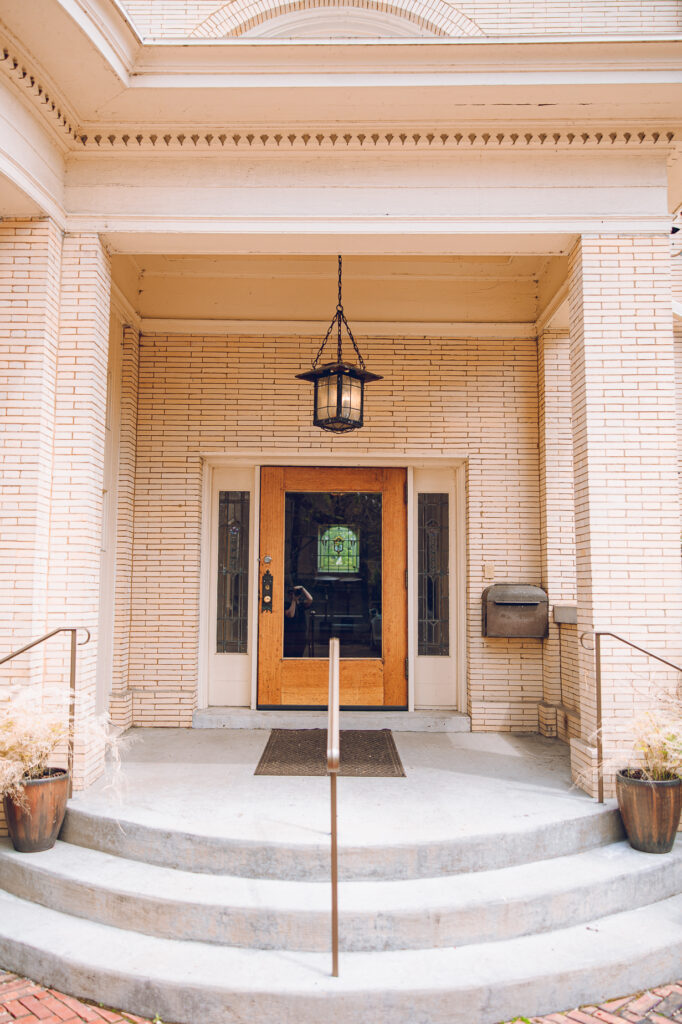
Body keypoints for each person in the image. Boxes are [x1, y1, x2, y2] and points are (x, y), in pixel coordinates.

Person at [283, 584, 313, 657]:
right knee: (288, 655)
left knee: (299, 655)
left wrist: (302, 588)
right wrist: (293, 601)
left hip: (301, 634)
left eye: (293, 594)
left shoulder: (301, 605)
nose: (292, 595)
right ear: (288, 595)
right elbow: (290, 615)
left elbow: (310, 599)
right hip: (289, 635)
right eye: (290, 594)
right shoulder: (286, 605)